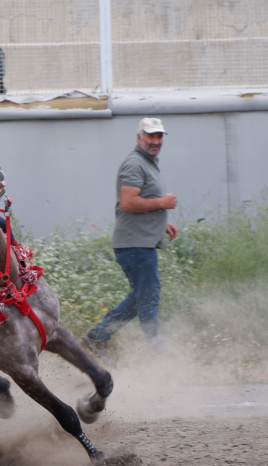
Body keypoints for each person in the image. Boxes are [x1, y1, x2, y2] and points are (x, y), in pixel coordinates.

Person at [83, 117, 178, 355]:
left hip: (140, 241)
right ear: (139, 137)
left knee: (141, 297)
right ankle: (158, 355)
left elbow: (141, 200)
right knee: (148, 298)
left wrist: (161, 222)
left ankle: (97, 336)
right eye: (150, 136)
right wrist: (163, 203)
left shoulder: (148, 162)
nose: (155, 141)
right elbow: (127, 203)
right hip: (135, 245)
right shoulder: (135, 164)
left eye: (159, 136)